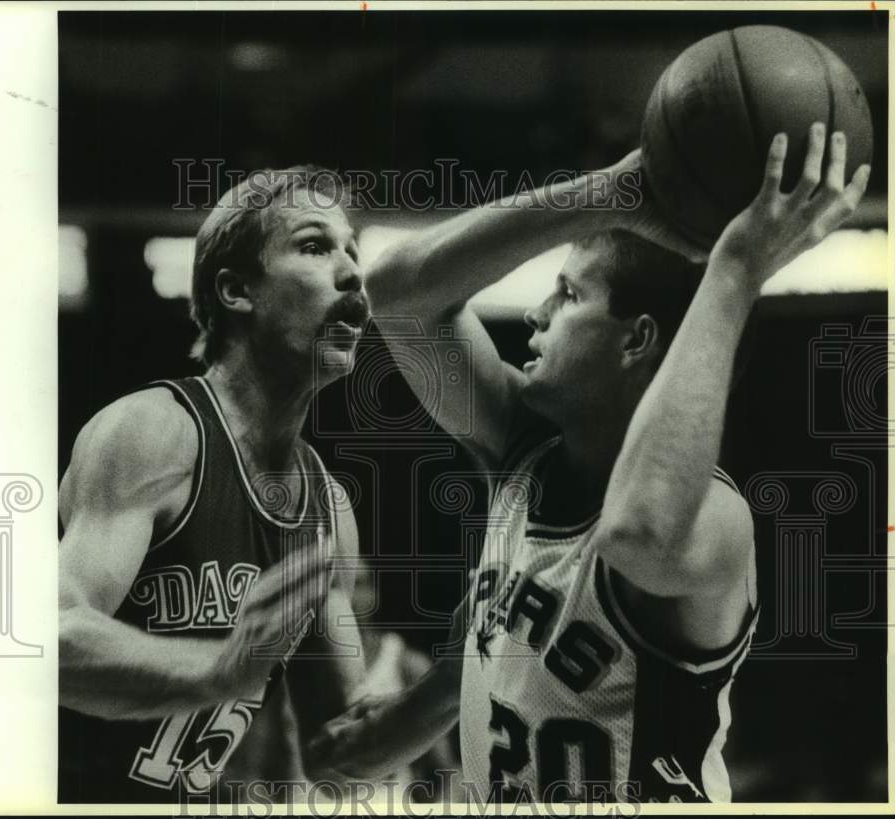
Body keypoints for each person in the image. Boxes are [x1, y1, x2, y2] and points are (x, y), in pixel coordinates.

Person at [308, 125, 870, 803]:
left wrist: (735, 270)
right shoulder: (524, 448)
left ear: (636, 339)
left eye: (569, 295)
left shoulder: (715, 516)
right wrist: (608, 193)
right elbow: (395, 295)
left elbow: (636, 533)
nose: (537, 315)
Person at [58, 167, 371, 803]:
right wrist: (220, 670)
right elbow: (43, 639)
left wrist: (459, 681)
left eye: (353, 251)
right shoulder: (155, 432)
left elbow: (340, 753)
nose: (352, 272)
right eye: (314, 246)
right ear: (236, 290)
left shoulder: (327, 504)